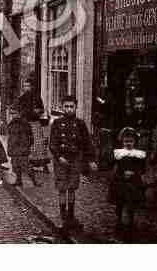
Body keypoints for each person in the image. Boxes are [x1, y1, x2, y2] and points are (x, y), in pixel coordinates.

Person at [49, 95, 98, 230]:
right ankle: (63, 217)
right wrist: (59, 157)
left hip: (75, 159)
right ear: (62, 107)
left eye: (71, 106)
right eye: (66, 106)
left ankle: (71, 216)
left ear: (76, 107)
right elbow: (52, 143)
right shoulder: (57, 124)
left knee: (72, 187)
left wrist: (91, 160)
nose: (69, 109)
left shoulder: (80, 124)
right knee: (62, 188)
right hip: (60, 160)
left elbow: (87, 143)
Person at [109, 127, 146, 238]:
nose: (128, 143)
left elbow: (141, 168)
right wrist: (121, 174)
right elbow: (114, 166)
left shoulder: (139, 154)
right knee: (120, 202)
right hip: (121, 181)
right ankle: (119, 221)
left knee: (132, 203)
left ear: (135, 142)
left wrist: (137, 174)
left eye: (131, 141)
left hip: (134, 181)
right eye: (126, 141)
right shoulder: (119, 154)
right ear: (122, 141)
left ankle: (130, 222)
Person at [18, 77, 50, 173]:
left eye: (28, 86)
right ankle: (28, 164)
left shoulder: (37, 97)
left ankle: (44, 165)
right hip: (25, 123)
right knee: (28, 144)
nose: (26, 88)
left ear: (32, 87)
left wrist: (38, 111)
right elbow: (19, 110)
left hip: (35, 123)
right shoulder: (21, 98)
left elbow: (41, 109)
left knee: (38, 144)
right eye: (25, 86)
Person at [7, 105, 39, 187]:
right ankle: (18, 181)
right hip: (14, 149)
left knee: (26, 167)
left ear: (19, 114)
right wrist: (10, 148)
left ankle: (34, 181)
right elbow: (10, 138)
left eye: (15, 113)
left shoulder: (24, 124)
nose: (13, 115)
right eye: (12, 113)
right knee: (15, 167)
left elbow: (30, 137)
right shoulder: (11, 124)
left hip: (22, 149)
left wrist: (27, 146)